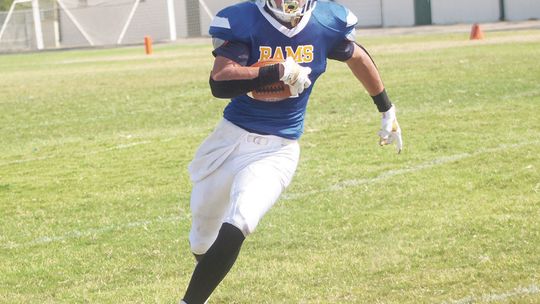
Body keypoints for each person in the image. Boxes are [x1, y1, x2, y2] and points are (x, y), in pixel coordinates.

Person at [180, 0, 403, 303]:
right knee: (203, 233)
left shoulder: (325, 20)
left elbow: (357, 56)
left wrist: (386, 107)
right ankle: (206, 277)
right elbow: (220, 82)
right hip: (230, 142)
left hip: (279, 148)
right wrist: (278, 71)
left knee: (241, 219)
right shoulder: (245, 19)